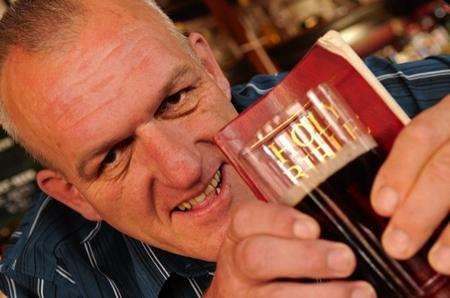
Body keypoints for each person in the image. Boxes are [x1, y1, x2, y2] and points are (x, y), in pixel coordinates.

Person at [0, 0, 448, 297]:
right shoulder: (52, 274)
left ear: (211, 68)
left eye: (175, 100)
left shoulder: (339, 99)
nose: (184, 169)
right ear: (72, 194)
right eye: (113, 157)